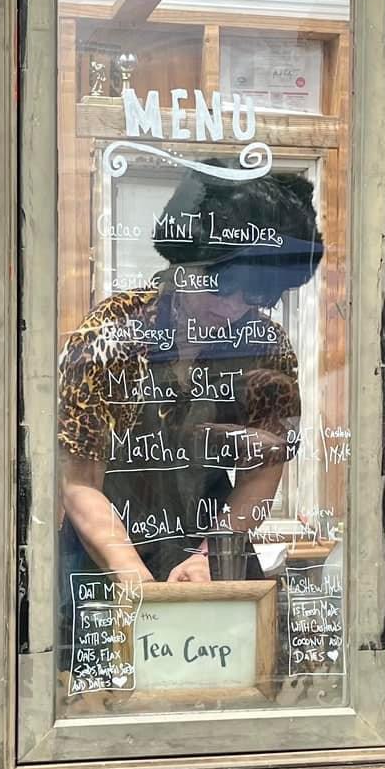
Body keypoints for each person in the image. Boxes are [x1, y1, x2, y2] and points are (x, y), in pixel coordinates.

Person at [57, 166, 323, 586]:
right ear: (184, 262)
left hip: (212, 550)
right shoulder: (112, 333)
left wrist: (209, 556)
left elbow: (262, 473)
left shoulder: (265, 347)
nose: (232, 306)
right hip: (105, 553)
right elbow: (79, 482)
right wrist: (139, 583)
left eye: (254, 294)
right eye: (220, 284)